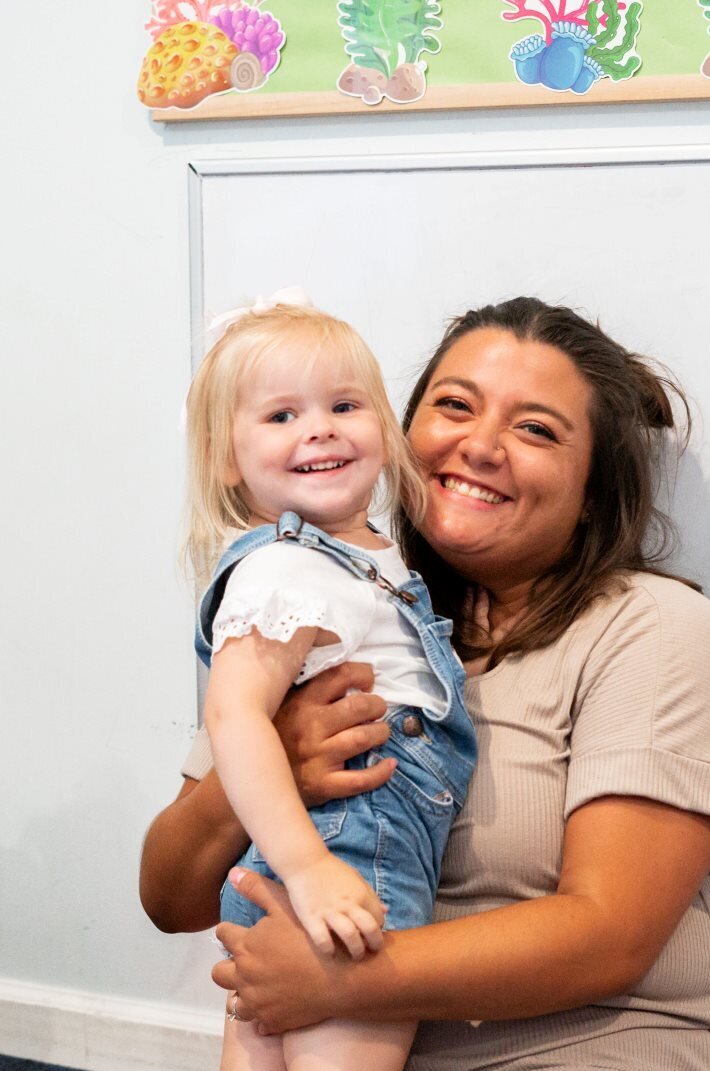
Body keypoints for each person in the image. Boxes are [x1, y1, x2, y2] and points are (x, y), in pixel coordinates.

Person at [142, 296, 710, 1069]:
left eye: (536, 429)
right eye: (453, 406)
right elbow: (171, 897)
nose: (480, 445)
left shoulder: (656, 632)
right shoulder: (326, 608)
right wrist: (279, 757)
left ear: (591, 494)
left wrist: (344, 983)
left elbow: (609, 936)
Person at [180, 297, 476, 1070]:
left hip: (316, 855)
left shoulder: (366, 560)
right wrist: (310, 867)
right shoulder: (287, 567)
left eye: (344, 404)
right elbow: (235, 716)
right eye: (281, 415)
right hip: (348, 846)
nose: (319, 428)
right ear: (225, 457)